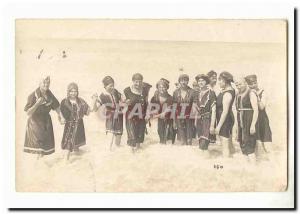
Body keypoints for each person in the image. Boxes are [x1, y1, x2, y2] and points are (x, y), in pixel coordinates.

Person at [24, 76, 63, 159]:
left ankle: (40, 164)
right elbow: (28, 112)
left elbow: (56, 106)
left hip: (46, 122)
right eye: (44, 83)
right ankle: (37, 165)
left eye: (48, 83)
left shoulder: (49, 94)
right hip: (35, 122)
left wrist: (61, 116)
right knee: (39, 146)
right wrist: (37, 104)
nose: (46, 84)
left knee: (45, 147)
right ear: (39, 83)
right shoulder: (33, 95)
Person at [60, 83, 95, 161]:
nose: (73, 93)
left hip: (79, 125)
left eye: (75, 91)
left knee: (77, 143)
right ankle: (66, 160)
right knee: (69, 141)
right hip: (69, 125)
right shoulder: (64, 102)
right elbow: (60, 113)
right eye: (71, 91)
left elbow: (89, 111)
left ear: (77, 92)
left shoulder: (81, 101)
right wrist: (61, 119)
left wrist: (94, 100)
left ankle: (78, 160)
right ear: (68, 92)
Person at [245, 74, 272, 160]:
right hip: (253, 120)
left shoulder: (262, 92)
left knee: (266, 143)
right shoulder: (248, 93)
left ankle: (274, 164)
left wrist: (257, 96)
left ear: (257, 82)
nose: (253, 85)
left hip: (262, 119)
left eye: (254, 83)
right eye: (250, 84)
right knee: (256, 144)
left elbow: (261, 107)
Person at [93, 76, 124, 149]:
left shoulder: (116, 92)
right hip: (110, 117)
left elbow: (123, 100)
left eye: (113, 85)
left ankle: (118, 156)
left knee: (118, 138)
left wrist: (125, 102)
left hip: (119, 117)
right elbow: (95, 109)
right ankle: (108, 153)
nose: (112, 87)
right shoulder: (102, 96)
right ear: (105, 86)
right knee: (110, 137)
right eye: (110, 86)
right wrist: (94, 100)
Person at [124, 73, 152, 152]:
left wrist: (147, 114)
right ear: (132, 81)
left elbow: (147, 102)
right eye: (136, 81)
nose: (138, 84)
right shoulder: (127, 90)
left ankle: (139, 151)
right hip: (130, 115)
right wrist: (125, 103)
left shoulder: (144, 91)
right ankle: (131, 151)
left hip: (141, 115)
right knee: (132, 133)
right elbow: (122, 102)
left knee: (140, 133)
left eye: (140, 81)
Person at [235, 78, 259, 163]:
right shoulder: (237, 94)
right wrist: (237, 127)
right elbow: (238, 110)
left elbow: (256, 110)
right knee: (242, 143)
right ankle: (247, 168)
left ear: (245, 83)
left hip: (249, 121)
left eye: (240, 84)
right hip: (241, 121)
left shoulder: (251, 93)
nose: (238, 86)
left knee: (250, 144)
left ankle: (254, 166)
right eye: (236, 85)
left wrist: (253, 125)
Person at [193, 74, 217, 158]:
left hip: (208, 118)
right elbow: (197, 109)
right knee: (200, 140)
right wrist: (196, 120)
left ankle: (207, 160)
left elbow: (214, 110)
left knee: (205, 142)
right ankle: (203, 162)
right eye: (199, 81)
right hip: (200, 119)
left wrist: (212, 125)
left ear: (206, 81)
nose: (200, 82)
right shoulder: (198, 93)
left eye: (202, 80)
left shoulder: (211, 93)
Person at [148, 79, 175, 144]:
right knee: (161, 135)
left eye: (164, 87)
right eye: (160, 87)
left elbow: (167, 111)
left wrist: (156, 115)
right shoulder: (154, 98)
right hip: (160, 120)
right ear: (157, 88)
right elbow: (151, 109)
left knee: (169, 136)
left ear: (167, 88)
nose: (162, 89)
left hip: (169, 120)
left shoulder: (170, 98)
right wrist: (151, 114)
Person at [215, 71, 236, 157]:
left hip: (225, 119)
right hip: (228, 118)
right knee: (229, 141)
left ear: (226, 81)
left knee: (224, 142)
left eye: (220, 80)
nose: (218, 82)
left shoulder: (227, 94)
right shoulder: (228, 90)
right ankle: (233, 159)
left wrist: (218, 126)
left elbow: (225, 111)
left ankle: (226, 163)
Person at [173, 74, 195, 145]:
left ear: (188, 81)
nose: (183, 82)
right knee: (182, 140)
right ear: (179, 82)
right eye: (181, 80)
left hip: (190, 119)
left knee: (189, 140)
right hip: (179, 119)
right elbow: (174, 108)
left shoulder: (192, 92)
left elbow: (194, 106)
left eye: (185, 80)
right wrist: (174, 121)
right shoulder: (176, 92)